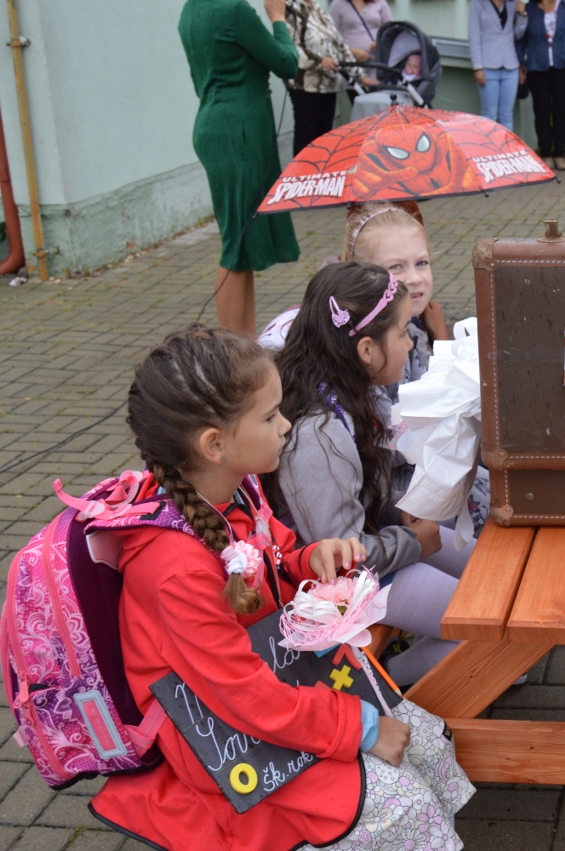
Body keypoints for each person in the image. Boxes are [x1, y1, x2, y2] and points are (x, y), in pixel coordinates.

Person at [88, 326, 474, 849]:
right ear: (215, 444)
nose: (286, 425)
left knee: (424, 742)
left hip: (278, 684)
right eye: (270, 417)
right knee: (396, 804)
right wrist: (359, 728)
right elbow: (242, 697)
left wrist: (308, 559)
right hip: (220, 732)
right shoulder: (173, 568)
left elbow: (274, 556)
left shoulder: (236, 489)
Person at [271, 264, 478, 684]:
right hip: (345, 582)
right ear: (366, 349)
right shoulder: (318, 432)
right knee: (487, 626)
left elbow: (358, 495)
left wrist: (395, 513)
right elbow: (339, 556)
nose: (410, 342)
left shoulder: (346, 392)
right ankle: (381, 685)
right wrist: (411, 542)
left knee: (492, 576)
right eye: (402, 333)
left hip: (375, 549)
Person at [178, 0, 300, 336]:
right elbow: (287, 62)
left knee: (241, 244)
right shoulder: (233, 9)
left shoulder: (191, 10)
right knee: (235, 245)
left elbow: (201, 79)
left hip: (219, 125)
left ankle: (245, 343)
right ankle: (231, 351)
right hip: (238, 133)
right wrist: (278, 19)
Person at [345, 203, 451, 388]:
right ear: (362, 275)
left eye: (421, 263)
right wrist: (441, 338)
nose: (415, 278)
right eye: (396, 266)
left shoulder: (411, 328)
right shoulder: (374, 349)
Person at [283, 0, 358, 155]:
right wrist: (320, 62)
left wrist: (359, 75)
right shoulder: (289, 8)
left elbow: (339, 43)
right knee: (307, 138)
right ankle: (302, 171)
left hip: (329, 84)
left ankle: (322, 170)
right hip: (306, 86)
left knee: (325, 139)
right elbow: (290, 46)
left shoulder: (317, 8)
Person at [519, 0, 565, 171]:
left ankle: (559, 153)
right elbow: (522, 38)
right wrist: (521, 62)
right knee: (541, 112)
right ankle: (546, 153)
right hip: (537, 67)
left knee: (560, 112)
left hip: (563, 66)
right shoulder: (530, 9)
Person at [469, 0, 529, 131]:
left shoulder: (512, 4)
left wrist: (522, 15)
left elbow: (518, 34)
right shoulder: (478, 4)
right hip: (487, 66)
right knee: (489, 114)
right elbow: (474, 37)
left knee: (506, 115)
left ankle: (506, 144)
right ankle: (487, 144)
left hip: (510, 66)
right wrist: (477, 67)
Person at [329, 0, 390, 102]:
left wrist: (380, 43)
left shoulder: (379, 2)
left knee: (380, 105)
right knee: (359, 104)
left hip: (377, 66)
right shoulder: (338, 4)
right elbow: (330, 36)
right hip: (353, 66)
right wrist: (351, 51)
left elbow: (389, 31)